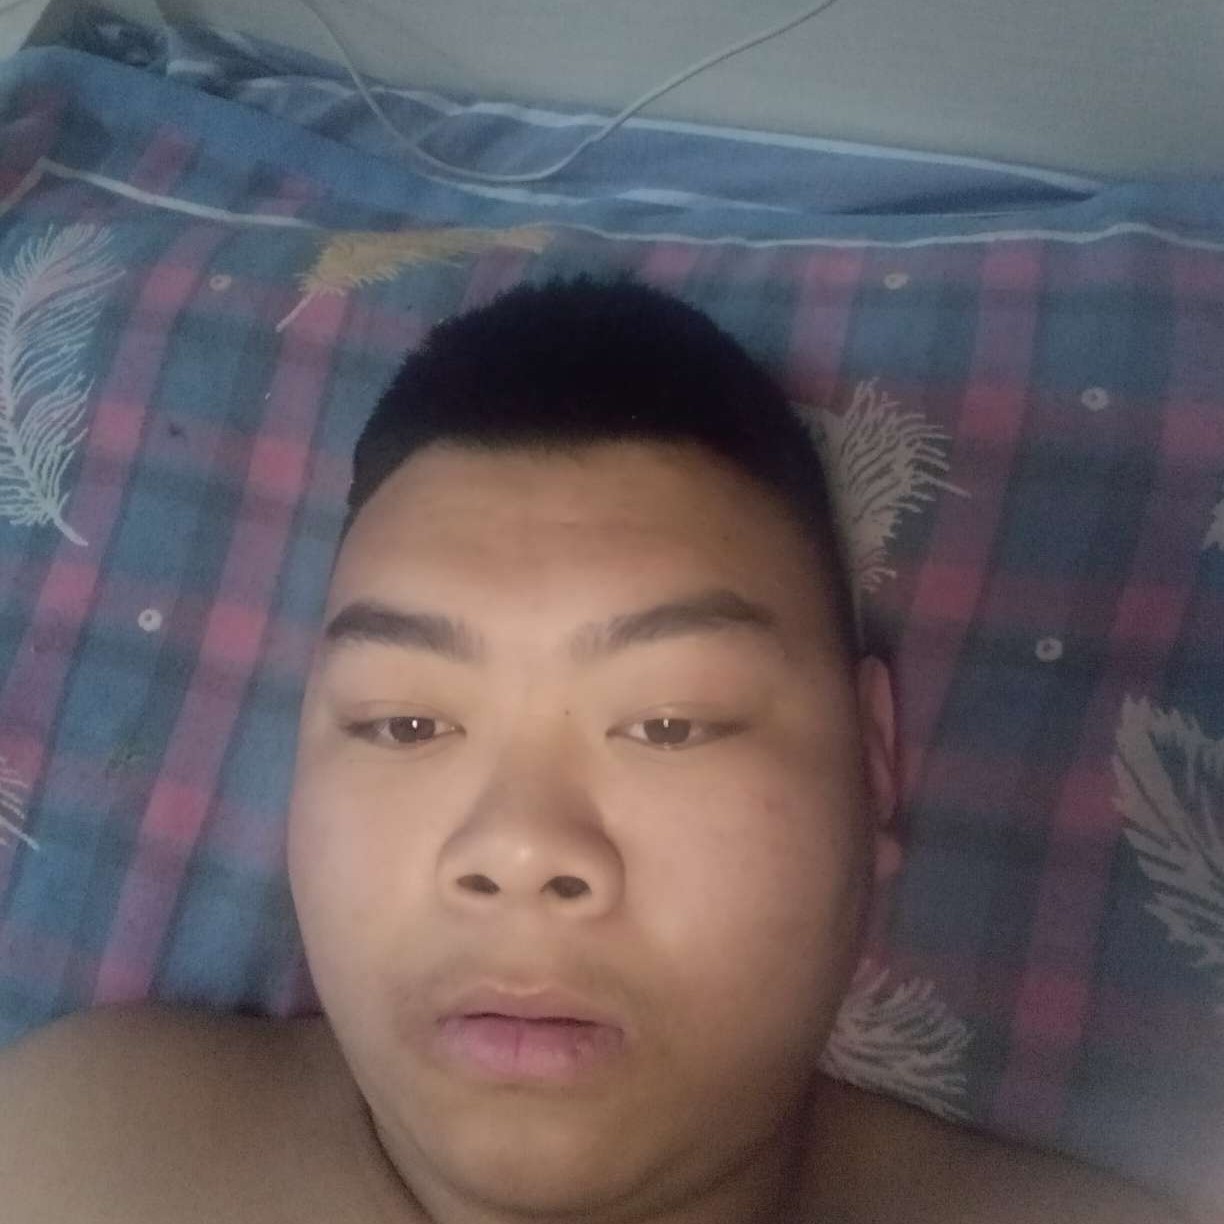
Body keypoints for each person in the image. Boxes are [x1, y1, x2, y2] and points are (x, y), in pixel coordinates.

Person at [0, 275, 1190, 1223]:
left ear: (875, 767)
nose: (519, 849)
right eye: (405, 723)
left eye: (670, 722)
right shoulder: (66, 1147)